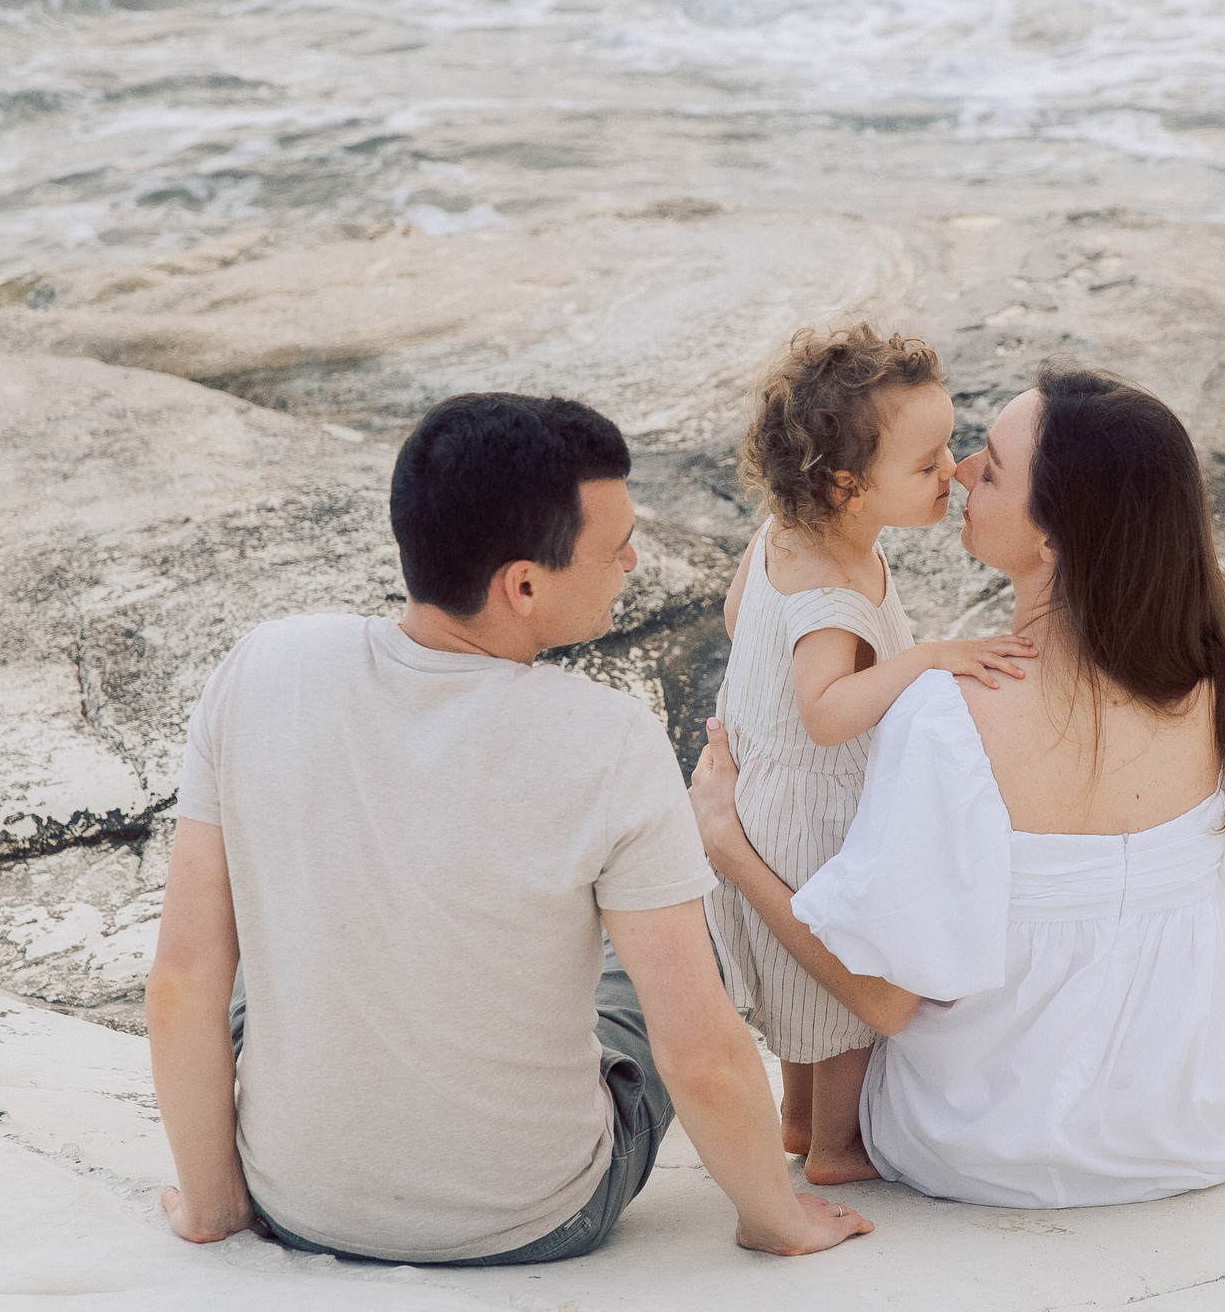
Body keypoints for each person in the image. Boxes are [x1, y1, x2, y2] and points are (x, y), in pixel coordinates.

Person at [147, 391, 871, 1263]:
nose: (634, 561)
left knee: (244, 963)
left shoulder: (263, 667)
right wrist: (776, 1220)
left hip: (301, 1202)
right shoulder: (610, 738)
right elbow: (702, 1054)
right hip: (538, 1215)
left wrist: (216, 1207)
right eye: (616, 547)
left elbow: (181, 979)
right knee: (686, 942)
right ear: (522, 585)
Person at [690, 365, 1225, 1208]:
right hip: (1190, 1118)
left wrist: (730, 848)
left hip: (984, 1138)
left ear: (1055, 540)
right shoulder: (1222, 683)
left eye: (988, 468)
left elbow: (881, 1002)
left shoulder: (950, 716)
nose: (957, 472)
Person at [707, 325, 1034, 1186]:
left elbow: (741, 620)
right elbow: (824, 712)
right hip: (813, 804)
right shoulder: (832, 594)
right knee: (839, 983)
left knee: (798, 980)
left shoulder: (788, 530)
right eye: (928, 464)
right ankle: (835, 1147)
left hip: (769, 793)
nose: (953, 471)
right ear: (851, 487)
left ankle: (795, 1114)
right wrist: (924, 656)